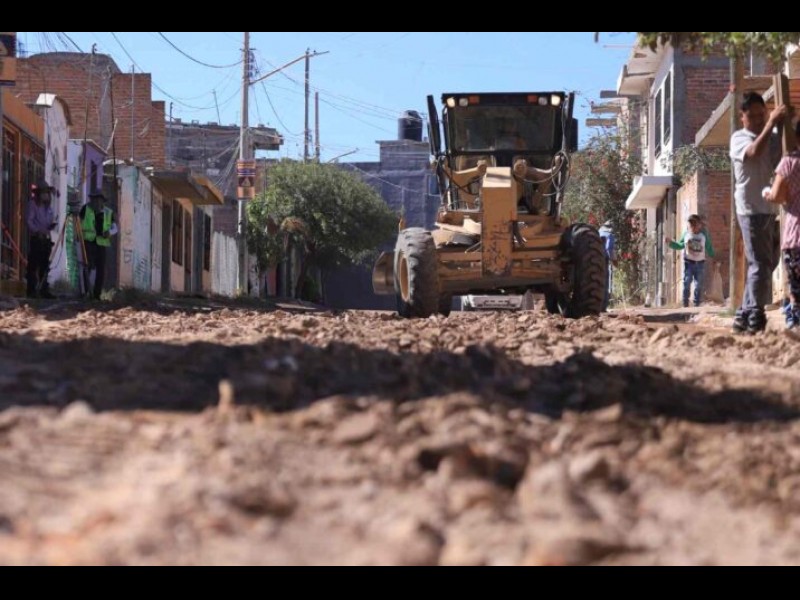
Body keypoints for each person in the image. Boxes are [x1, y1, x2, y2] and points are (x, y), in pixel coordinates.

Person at [729, 92, 788, 333]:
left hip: (770, 208)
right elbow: (753, 152)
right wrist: (771, 123)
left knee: (768, 263)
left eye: (761, 115)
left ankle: (742, 314)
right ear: (742, 117)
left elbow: (781, 160)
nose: (757, 120)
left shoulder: (771, 137)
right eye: (751, 116)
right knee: (759, 263)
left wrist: (785, 127)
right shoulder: (739, 138)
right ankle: (755, 313)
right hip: (750, 209)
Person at [764, 120, 800, 328]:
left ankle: (795, 326)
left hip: (796, 236)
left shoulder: (789, 163)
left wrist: (768, 194)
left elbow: (778, 195)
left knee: (796, 289)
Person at [666, 214, 715, 308]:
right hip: (689, 263)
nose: (692, 228)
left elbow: (708, 246)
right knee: (687, 282)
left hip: (700, 263)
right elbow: (680, 245)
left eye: (694, 226)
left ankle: (697, 303)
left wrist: (713, 256)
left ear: (699, 225)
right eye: (690, 226)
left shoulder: (704, 234)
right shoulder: (686, 234)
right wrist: (671, 243)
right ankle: (685, 302)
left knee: (698, 284)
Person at [80, 191, 117, 300]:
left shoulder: (108, 212)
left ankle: (97, 294)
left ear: (102, 201)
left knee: (101, 269)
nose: (96, 202)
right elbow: (79, 222)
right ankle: (86, 291)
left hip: (101, 243)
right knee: (88, 266)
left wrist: (109, 232)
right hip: (88, 241)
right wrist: (78, 236)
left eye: (98, 200)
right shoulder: (85, 209)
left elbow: (115, 228)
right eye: (94, 199)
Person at [25, 179, 56, 299]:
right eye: (44, 192)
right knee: (33, 264)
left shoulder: (48, 208)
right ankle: (31, 289)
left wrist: (51, 226)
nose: (46, 195)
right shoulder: (33, 205)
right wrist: (37, 231)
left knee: (44, 264)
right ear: (39, 193)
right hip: (37, 238)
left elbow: (49, 221)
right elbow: (29, 221)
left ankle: (44, 289)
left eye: (47, 192)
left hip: (46, 239)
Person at [598, 220, 616, 310]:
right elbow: (609, 248)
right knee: (605, 281)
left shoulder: (598, 233)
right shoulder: (610, 235)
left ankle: (597, 304)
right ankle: (603, 305)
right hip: (604, 260)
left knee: (598, 281)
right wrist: (613, 260)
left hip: (596, 260)